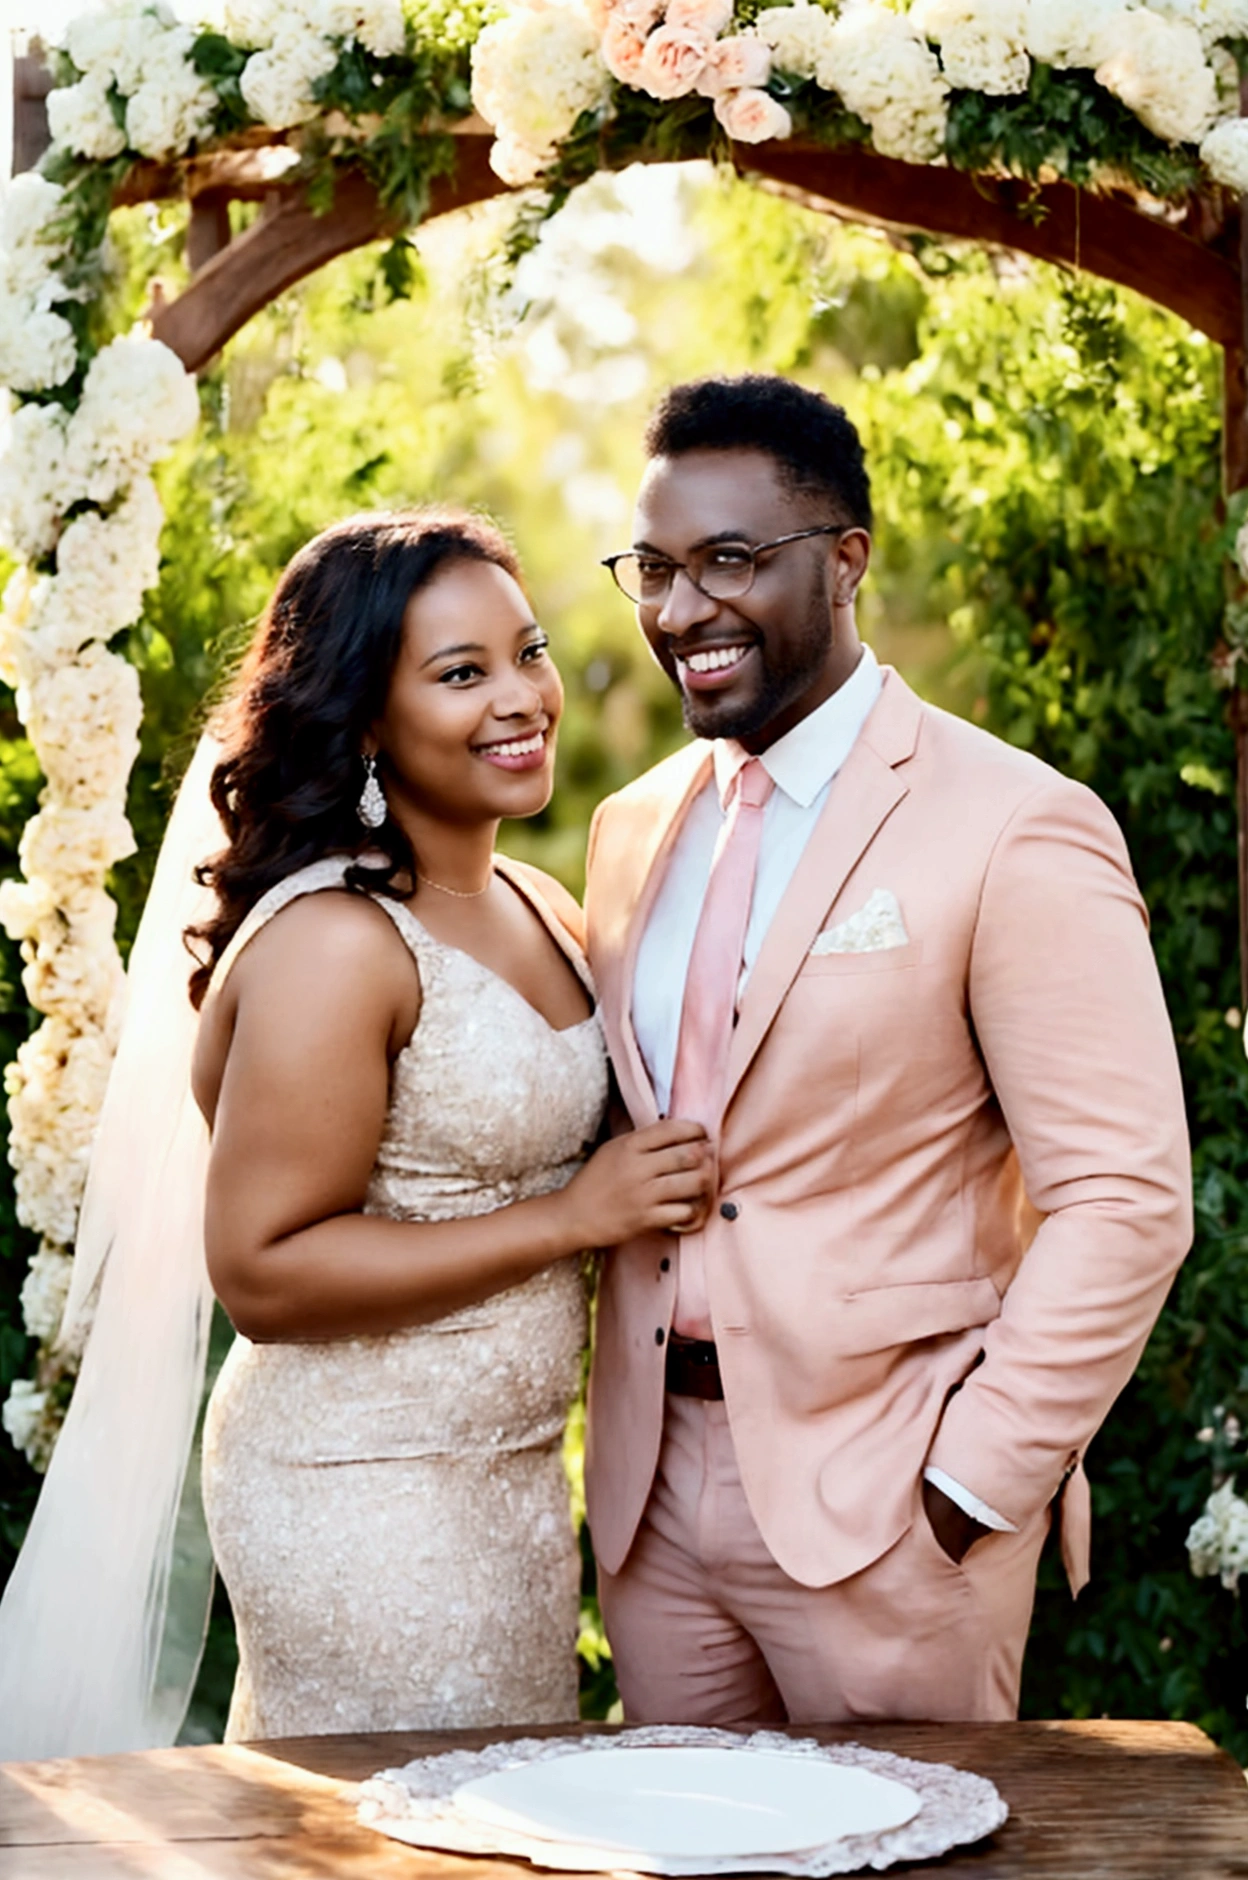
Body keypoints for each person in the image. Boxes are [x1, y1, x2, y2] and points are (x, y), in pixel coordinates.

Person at [0, 507, 714, 1757]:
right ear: (367, 720)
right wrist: (572, 1217)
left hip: (511, 1480)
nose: (522, 696)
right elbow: (265, 1269)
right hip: (357, 1487)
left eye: (528, 650)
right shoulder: (337, 941)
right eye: (460, 672)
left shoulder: (536, 901)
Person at [582, 374, 1193, 1726]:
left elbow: (1126, 1196)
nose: (682, 610)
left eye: (730, 561)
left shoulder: (1015, 824)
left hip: (892, 1503)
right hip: (648, 1504)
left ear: (846, 557)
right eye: (657, 568)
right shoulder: (631, 827)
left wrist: (975, 1483)